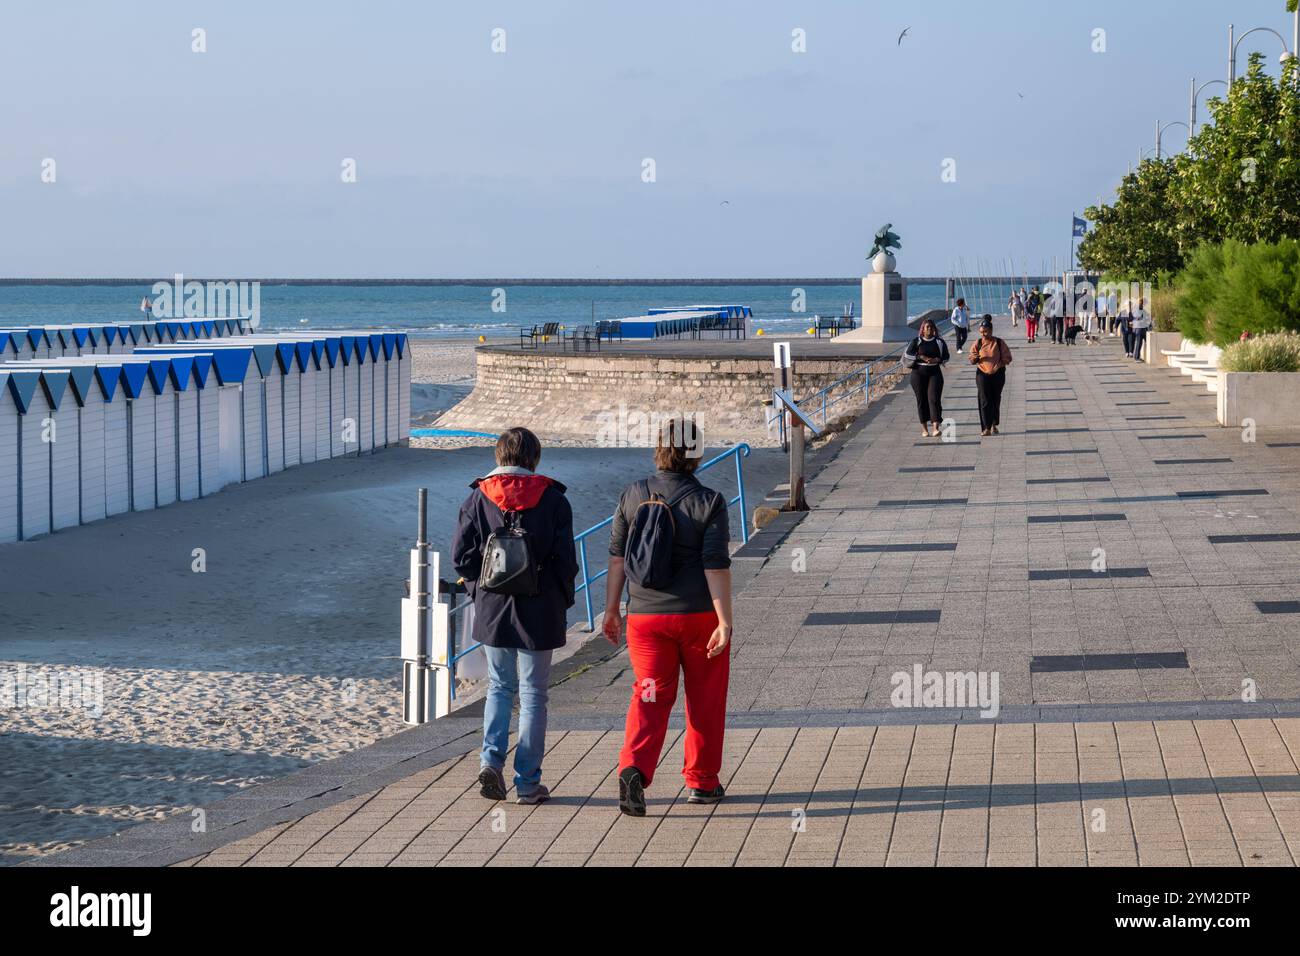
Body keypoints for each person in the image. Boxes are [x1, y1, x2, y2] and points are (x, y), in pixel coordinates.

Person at [603, 419, 734, 816]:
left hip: (645, 618)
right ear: (696, 453)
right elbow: (715, 564)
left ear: (659, 448)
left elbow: (616, 557)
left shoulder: (632, 494)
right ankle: (702, 782)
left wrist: (611, 609)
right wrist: (724, 619)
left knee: (649, 694)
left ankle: (634, 769)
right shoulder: (709, 501)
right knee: (704, 700)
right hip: (697, 617)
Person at [452, 427, 579, 805]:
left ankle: (490, 761)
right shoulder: (554, 499)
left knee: (499, 687)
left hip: (493, 610)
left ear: (498, 457)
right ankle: (527, 782)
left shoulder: (478, 498)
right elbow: (566, 563)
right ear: (534, 458)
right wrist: (558, 602)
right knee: (534, 694)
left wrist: (479, 591)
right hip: (538, 610)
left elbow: (462, 557)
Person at [904, 318, 950, 437]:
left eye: (931, 327)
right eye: (927, 327)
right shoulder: (917, 341)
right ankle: (924, 429)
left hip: (934, 372)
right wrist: (922, 357)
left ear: (934, 329)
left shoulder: (939, 342)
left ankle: (935, 427)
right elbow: (908, 354)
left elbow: (946, 356)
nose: (929, 329)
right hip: (918, 373)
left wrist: (936, 359)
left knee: (934, 399)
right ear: (922, 330)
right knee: (921, 400)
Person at [969, 316, 1013, 436]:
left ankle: (994, 424)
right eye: (981, 332)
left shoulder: (999, 342)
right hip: (982, 374)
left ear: (991, 330)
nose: (984, 334)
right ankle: (986, 427)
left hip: (997, 374)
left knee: (995, 399)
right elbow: (971, 358)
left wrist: (997, 367)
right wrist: (975, 358)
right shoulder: (977, 343)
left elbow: (1008, 358)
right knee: (984, 399)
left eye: (986, 331)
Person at [1130, 297, 1151, 361]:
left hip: (1139, 328)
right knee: (1139, 342)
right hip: (1139, 328)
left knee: (1140, 342)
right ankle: (1136, 357)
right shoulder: (1139, 308)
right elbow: (1140, 318)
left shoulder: (1138, 308)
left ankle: (1137, 356)